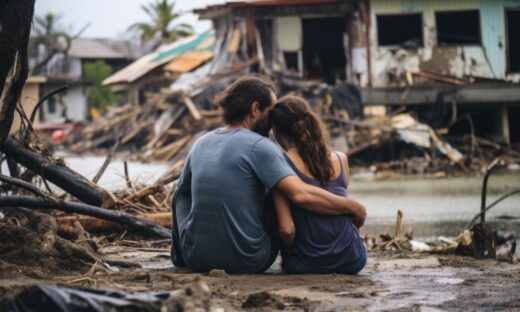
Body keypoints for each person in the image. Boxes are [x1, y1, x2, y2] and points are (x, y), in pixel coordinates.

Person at [171, 75, 366, 274]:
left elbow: (183, 195)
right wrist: (352, 206)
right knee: (277, 190)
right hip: (250, 259)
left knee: (180, 195)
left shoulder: (200, 143)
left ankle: (179, 256)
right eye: (270, 111)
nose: (273, 123)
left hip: (195, 258)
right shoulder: (261, 146)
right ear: (255, 109)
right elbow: (301, 195)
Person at [269, 95, 367, 274]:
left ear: (276, 131)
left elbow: (287, 229)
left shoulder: (281, 165)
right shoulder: (341, 159)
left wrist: (288, 253)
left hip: (306, 264)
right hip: (353, 260)